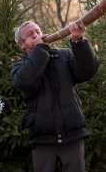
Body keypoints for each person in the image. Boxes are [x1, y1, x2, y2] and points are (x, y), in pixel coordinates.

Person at [10, 20, 99, 172]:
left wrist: (78, 41)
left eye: (37, 31)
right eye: (31, 34)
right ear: (21, 44)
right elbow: (25, 82)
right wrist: (40, 49)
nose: (36, 35)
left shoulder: (64, 55)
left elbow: (88, 70)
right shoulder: (19, 67)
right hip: (43, 139)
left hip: (73, 136)